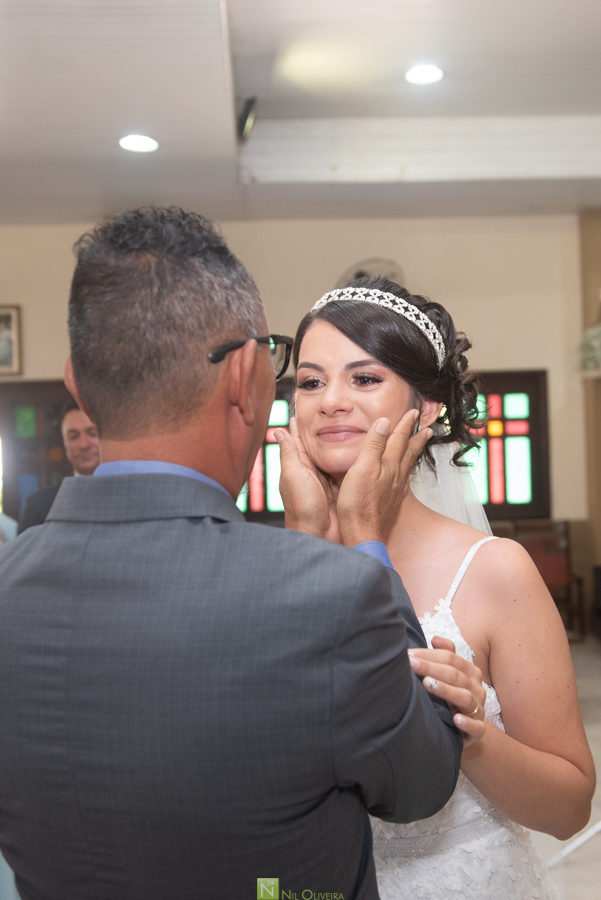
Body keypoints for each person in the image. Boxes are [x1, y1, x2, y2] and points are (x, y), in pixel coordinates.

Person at [0, 208, 478, 900]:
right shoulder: (331, 592)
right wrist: (365, 543)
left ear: (77, 382)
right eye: (301, 376)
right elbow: (419, 783)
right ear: (244, 377)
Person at [278, 277, 596, 900]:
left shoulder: (494, 570)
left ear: (424, 409)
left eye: (364, 379)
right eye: (311, 382)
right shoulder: (262, 564)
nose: (330, 401)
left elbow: (569, 810)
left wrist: (473, 735)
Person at [17, 399, 100, 533]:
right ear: (64, 441)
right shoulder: (39, 505)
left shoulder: (128, 496)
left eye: (92, 433)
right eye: (73, 436)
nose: (84, 444)